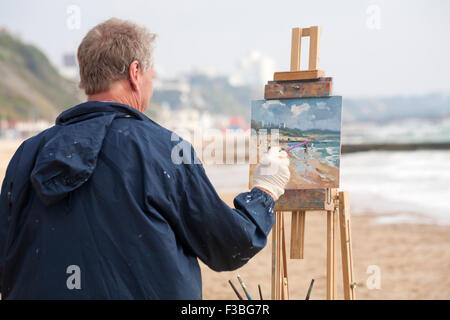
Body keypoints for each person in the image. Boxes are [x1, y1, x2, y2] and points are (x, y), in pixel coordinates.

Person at [0, 18, 290, 299]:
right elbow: (228, 246)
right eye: (152, 75)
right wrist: (265, 192)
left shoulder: (28, 154)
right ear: (135, 73)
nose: (152, 83)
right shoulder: (164, 150)